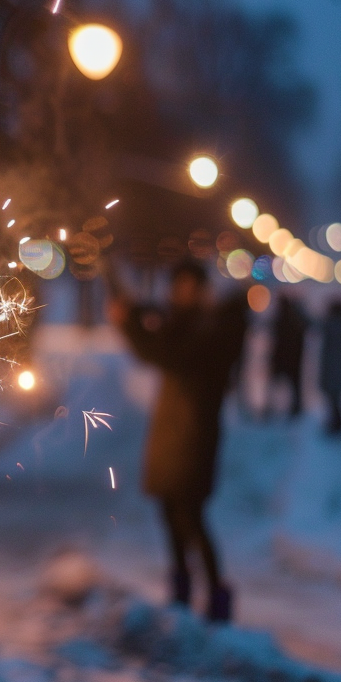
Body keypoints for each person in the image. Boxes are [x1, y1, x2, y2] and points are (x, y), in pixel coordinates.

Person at [108, 259, 247, 622]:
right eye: (177, 286)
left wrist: (130, 323)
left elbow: (166, 353)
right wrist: (131, 318)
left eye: (187, 286)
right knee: (170, 515)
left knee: (192, 516)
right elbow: (155, 348)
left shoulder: (210, 327)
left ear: (201, 290)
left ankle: (215, 596)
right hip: (171, 434)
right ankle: (182, 592)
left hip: (195, 437)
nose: (179, 293)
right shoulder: (185, 323)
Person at [268, 293, 308, 419]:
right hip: (293, 359)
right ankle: (293, 408)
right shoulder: (295, 320)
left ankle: (272, 408)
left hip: (284, 358)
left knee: (276, 385)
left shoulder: (282, 319)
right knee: (293, 387)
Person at [318, 298, 341, 436]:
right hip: (336, 367)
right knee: (335, 399)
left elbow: (319, 326)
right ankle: (336, 424)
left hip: (332, 367)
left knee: (334, 399)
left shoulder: (334, 325)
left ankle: (337, 425)